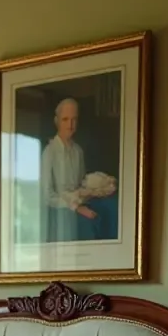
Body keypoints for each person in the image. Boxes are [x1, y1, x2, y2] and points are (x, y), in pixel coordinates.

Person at [39, 97, 117, 242]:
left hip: (80, 202)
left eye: (74, 119)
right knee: (91, 224)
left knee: (111, 207)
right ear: (57, 121)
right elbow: (48, 196)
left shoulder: (78, 151)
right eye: (65, 119)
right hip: (61, 212)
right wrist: (76, 207)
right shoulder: (49, 153)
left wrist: (97, 188)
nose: (70, 125)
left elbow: (81, 184)